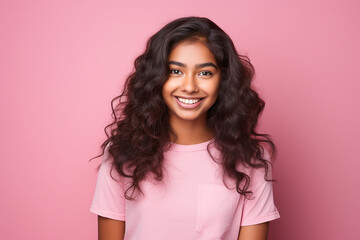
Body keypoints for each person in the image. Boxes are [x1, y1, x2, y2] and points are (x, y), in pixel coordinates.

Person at [90, 16, 280, 240]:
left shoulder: (251, 160)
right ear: (156, 77)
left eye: (205, 73)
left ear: (224, 79)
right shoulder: (121, 154)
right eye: (176, 71)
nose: (189, 87)